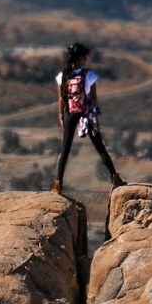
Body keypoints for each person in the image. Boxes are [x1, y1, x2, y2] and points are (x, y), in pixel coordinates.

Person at [52, 42, 125, 192]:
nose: (86, 59)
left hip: (69, 112)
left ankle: (58, 184)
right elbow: (93, 98)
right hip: (86, 113)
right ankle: (115, 178)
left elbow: (61, 99)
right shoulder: (89, 75)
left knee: (65, 149)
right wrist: (96, 117)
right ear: (80, 58)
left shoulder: (62, 76)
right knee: (100, 146)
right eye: (84, 56)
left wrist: (61, 116)